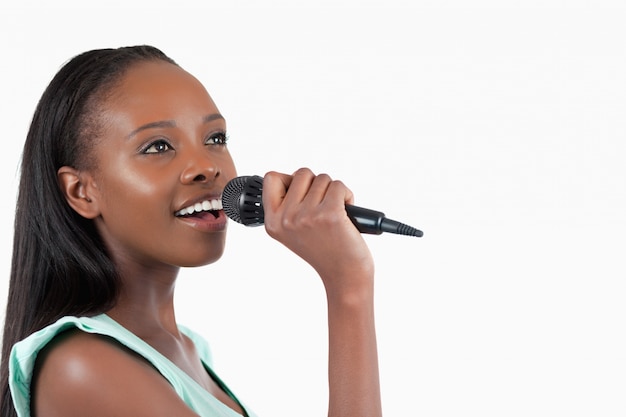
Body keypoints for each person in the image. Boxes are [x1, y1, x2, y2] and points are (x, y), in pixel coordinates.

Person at [0, 45, 382, 417]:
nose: (206, 166)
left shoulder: (187, 351)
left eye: (215, 139)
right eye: (158, 146)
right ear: (82, 192)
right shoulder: (84, 368)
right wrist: (348, 287)